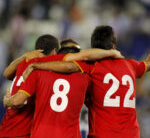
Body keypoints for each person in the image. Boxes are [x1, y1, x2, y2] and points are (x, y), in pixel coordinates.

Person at [15, 26, 150, 138]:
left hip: (103, 134)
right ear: (113, 45)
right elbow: (146, 65)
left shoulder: (92, 66)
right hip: (132, 134)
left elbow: (69, 65)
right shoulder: (131, 66)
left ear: (93, 47)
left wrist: (38, 65)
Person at [0, 34, 60, 138]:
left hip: (6, 127)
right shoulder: (42, 69)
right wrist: (7, 102)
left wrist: (24, 56)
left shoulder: (24, 63)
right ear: (54, 51)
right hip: (21, 132)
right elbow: (17, 101)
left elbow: (6, 73)